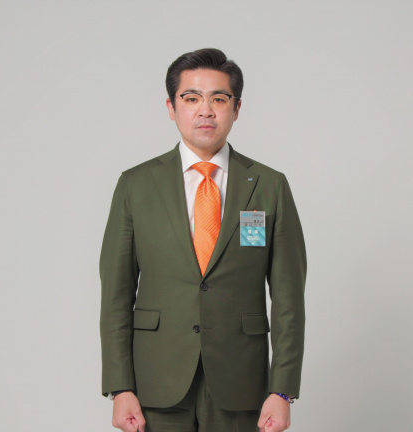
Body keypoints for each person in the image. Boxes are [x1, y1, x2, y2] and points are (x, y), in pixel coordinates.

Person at [99, 48, 306, 432]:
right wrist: (120, 387)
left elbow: (289, 301)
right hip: (155, 382)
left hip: (241, 382)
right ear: (171, 107)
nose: (205, 111)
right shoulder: (135, 185)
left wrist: (282, 391)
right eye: (191, 98)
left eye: (219, 99)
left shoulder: (269, 186)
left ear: (237, 108)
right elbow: (115, 295)